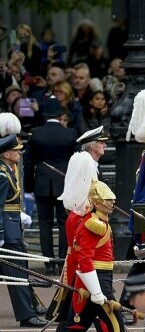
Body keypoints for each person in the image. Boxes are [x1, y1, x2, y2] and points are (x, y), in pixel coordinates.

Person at [54, 180, 127, 332]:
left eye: (112, 199)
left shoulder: (98, 220)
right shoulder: (94, 224)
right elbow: (85, 260)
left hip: (91, 283)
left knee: (75, 329)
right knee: (116, 327)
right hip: (97, 282)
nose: (112, 203)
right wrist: (96, 291)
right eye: (107, 200)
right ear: (95, 202)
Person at [23, 96, 77, 275]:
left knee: (45, 224)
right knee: (64, 223)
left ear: (45, 114)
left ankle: (48, 262)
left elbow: (28, 164)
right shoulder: (69, 133)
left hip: (42, 183)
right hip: (64, 183)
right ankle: (62, 261)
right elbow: (75, 162)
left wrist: (29, 187)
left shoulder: (36, 134)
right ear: (60, 114)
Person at [0, 134, 48, 327]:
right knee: (17, 275)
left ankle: (31, 308)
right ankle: (27, 316)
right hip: (8, 233)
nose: (19, 153)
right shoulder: (3, 176)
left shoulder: (8, 171)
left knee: (19, 271)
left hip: (13, 228)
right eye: (16, 150)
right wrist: (1, 234)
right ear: (6, 154)